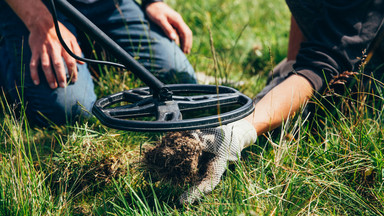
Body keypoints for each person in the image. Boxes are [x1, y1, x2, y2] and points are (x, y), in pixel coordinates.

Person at [179, 0, 384, 204]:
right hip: (343, 31)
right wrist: (291, 67)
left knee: (351, 98)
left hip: (372, 64)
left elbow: (323, 64)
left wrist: (241, 130)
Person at [0, 0, 196, 127]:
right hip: (38, 6)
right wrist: (37, 19)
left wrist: (153, 2)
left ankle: (87, 49)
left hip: (110, 5)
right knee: (70, 111)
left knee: (179, 78)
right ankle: (11, 59)